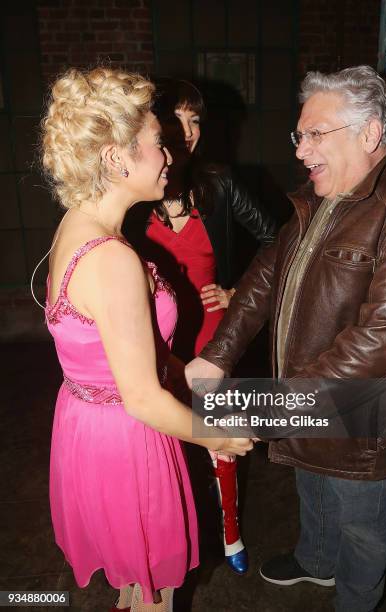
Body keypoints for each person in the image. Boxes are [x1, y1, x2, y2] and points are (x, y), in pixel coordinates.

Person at [185, 65, 386, 611]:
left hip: (376, 414)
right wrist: (219, 353)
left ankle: (352, 599)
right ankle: (316, 562)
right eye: (298, 136)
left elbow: (382, 345)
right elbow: (265, 272)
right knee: (313, 483)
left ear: (370, 133)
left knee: (361, 524)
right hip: (310, 393)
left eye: (314, 134)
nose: (301, 151)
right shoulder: (327, 190)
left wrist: (268, 409)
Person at [39, 67, 252, 612]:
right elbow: (141, 397)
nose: (169, 154)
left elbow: (120, 351)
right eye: (159, 143)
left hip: (88, 425)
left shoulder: (76, 224)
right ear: (116, 158)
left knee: (136, 581)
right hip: (127, 438)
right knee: (155, 589)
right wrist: (218, 438)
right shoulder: (112, 259)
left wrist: (183, 369)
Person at [129, 78, 277, 575]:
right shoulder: (134, 194)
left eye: (195, 122)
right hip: (157, 335)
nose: (187, 132)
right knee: (167, 438)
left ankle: (231, 531)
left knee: (222, 437)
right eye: (176, 120)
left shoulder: (219, 182)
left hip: (214, 332)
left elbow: (277, 242)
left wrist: (237, 292)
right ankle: (180, 528)